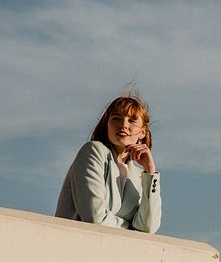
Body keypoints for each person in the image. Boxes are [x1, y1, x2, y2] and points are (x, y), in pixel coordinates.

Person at [55, 94, 161, 233]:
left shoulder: (137, 175)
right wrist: (131, 228)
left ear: (142, 132)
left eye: (132, 121)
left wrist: (150, 171)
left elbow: (148, 228)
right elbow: (95, 219)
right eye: (116, 119)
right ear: (107, 125)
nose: (123, 125)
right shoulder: (93, 152)